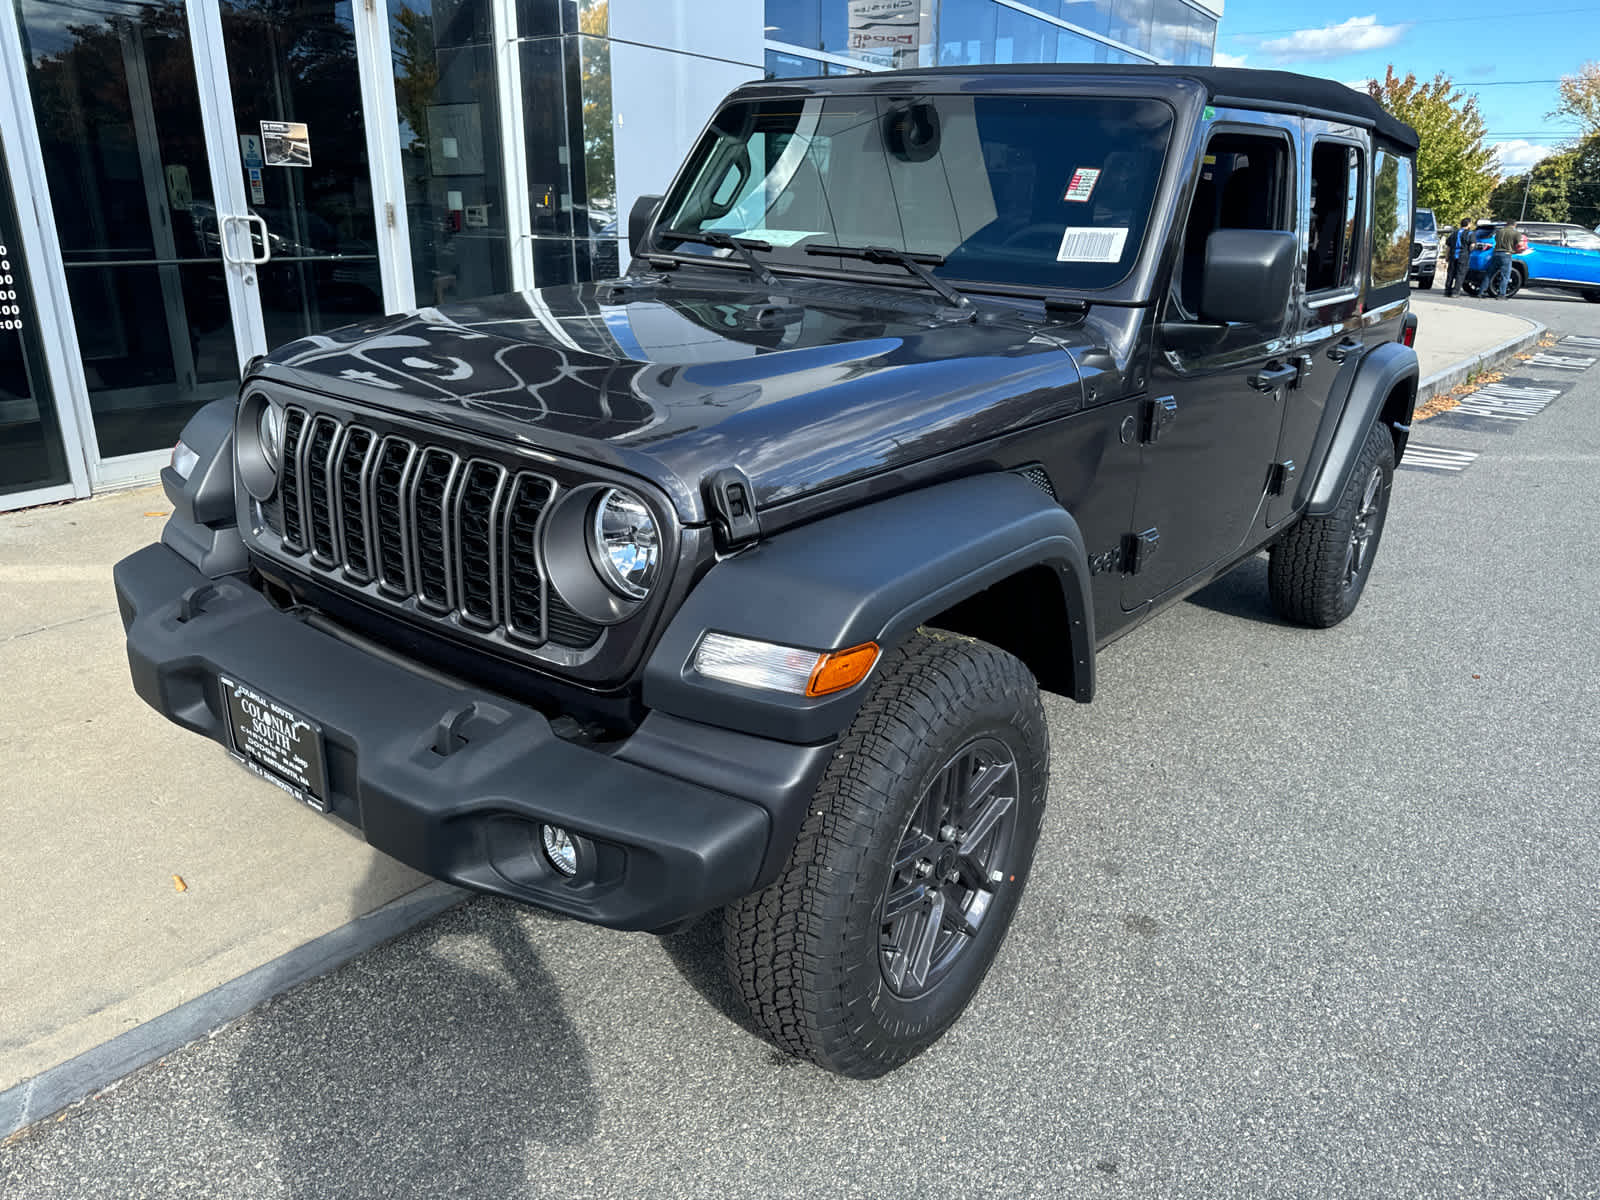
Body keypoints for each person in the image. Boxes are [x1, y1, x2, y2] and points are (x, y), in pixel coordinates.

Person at [1485, 218, 1521, 300]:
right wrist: (1515, 250)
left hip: (1496, 253)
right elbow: (1519, 244)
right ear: (1514, 225)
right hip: (1506, 254)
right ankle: (1501, 295)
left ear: (1506, 224)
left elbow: (1496, 240)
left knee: (1489, 273)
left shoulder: (1499, 231)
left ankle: (1481, 291)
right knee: (1505, 275)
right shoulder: (1516, 233)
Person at [1443, 217, 1471, 296]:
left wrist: (1446, 256)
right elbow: (1472, 245)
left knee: (1450, 273)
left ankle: (1447, 290)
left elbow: (1448, 246)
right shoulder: (1470, 233)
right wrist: (1470, 251)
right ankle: (1455, 292)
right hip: (1463, 256)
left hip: (1453, 255)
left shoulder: (1454, 233)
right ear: (1468, 224)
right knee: (1460, 274)